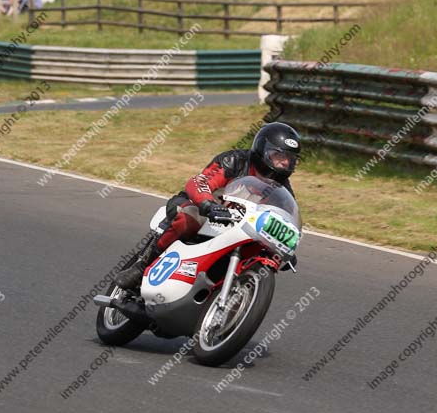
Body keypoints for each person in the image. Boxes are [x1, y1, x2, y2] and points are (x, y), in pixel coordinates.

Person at [114, 122, 301, 291]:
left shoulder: (282, 188)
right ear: (262, 149)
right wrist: (207, 203)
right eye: (279, 155)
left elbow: (285, 218)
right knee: (188, 218)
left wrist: (284, 246)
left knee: (259, 249)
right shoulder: (235, 161)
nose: (285, 162)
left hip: (235, 226)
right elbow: (200, 182)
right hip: (200, 207)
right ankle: (142, 266)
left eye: (290, 158)